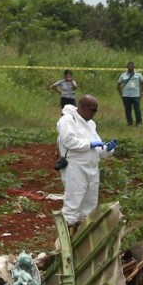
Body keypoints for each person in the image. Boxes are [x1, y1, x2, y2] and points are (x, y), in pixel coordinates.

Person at [56, 95, 117, 235]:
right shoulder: (67, 120)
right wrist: (90, 144)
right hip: (75, 167)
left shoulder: (91, 124)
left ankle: (83, 237)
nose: (94, 113)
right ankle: (67, 239)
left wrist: (107, 149)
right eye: (92, 110)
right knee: (73, 201)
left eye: (96, 110)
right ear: (82, 107)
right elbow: (69, 141)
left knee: (90, 204)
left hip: (92, 168)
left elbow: (98, 148)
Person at [116, 62, 143, 126]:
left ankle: (139, 122)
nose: (130, 68)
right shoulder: (123, 75)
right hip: (126, 95)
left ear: (134, 67)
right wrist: (121, 93)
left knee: (137, 109)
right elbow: (118, 84)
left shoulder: (138, 75)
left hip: (136, 95)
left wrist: (142, 92)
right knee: (128, 110)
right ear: (127, 67)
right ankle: (130, 122)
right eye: (129, 66)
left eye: (131, 66)